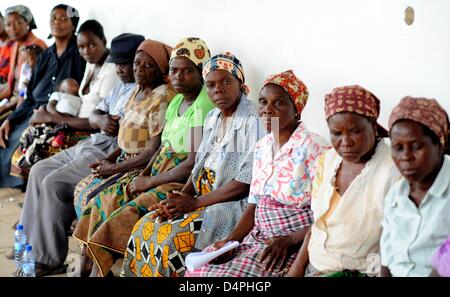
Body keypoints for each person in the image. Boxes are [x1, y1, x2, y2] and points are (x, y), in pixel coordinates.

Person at [73, 37, 215, 277]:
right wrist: (144, 174)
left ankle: (96, 270)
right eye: (174, 70)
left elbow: (191, 164)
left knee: (126, 213)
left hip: (178, 179)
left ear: (201, 72)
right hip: (158, 171)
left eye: (187, 71)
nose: (179, 76)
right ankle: (90, 268)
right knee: (104, 200)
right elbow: (159, 147)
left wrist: (148, 182)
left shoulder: (201, 106)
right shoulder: (177, 100)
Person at [6, 33, 143, 277]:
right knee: (38, 170)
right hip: (94, 139)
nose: (121, 69)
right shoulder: (121, 86)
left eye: (126, 64)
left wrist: (101, 121)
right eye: (118, 63)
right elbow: (98, 113)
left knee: (54, 182)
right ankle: (25, 247)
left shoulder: (145, 90)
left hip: (110, 148)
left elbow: (127, 133)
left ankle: (48, 258)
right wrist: (100, 118)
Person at [121, 51, 266, 277]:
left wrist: (195, 202)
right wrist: (179, 197)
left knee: (170, 240)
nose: (218, 89)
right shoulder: (211, 118)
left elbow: (245, 183)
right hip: (199, 198)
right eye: (211, 85)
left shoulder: (254, 120)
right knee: (147, 223)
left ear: (240, 82)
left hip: (230, 203)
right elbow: (198, 164)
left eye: (226, 82)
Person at [185, 70, 330, 277]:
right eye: (262, 102)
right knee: (199, 269)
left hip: (291, 245)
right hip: (258, 237)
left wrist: (290, 240)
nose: (267, 110)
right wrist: (232, 241)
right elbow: (255, 202)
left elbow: (327, 213)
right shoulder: (263, 146)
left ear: (296, 109)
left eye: (278, 103)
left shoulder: (314, 147)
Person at [286, 85, 400, 277]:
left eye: (355, 131)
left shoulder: (394, 169)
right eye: (336, 133)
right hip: (314, 266)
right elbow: (318, 224)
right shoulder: (327, 160)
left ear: (373, 125)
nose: (345, 142)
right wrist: (296, 269)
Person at [9, 19, 119, 179]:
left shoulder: (111, 71)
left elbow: (97, 121)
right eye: (81, 47)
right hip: (74, 120)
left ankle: (42, 183)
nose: (86, 51)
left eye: (92, 45)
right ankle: (33, 184)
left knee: (42, 145)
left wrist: (53, 118)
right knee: (31, 132)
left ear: (103, 41)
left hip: (89, 131)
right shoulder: (92, 63)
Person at [0, 4, 85, 189]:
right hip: (33, 109)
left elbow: (79, 95)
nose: (57, 22)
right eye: (54, 18)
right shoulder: (46, 55)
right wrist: (11, 118)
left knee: (19, 142)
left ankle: (21, 184)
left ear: (73, 24)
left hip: (55, 113)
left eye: (64, 19)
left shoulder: (80, 54)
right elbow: (29, 95)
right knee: (6, 132)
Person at [380, 96, 450, 277]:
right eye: (398, 147)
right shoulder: (395, 194)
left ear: (440, 144)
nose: (406, 157)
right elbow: (386, 260)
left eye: (416, 146)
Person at [16, 78, 81, 168]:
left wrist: (56, 117)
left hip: (57, 120)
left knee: (38, 135)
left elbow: (50, 106)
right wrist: (59, 117)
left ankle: (30, 154)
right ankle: (28, 150)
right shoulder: (71, 98)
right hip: (62, 119)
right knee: (44, 133)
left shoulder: (63, 95)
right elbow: (50, 106)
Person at [0, 5, 47, 118]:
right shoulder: (16, 45)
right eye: (8, 24)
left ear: (28, 23)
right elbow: (11, 86)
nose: (13, 28)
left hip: (27, 104)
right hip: (14, 99)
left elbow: (26, 90)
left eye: (18, 23)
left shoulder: (35, 48)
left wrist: (10, 110)